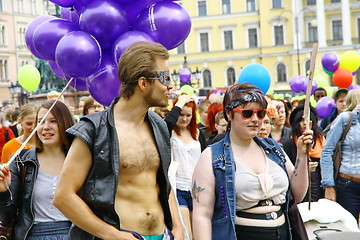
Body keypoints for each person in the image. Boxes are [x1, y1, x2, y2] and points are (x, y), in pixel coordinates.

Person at [53, 41, 184, 240]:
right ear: (142, 83)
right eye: (165, 77)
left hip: (162, 235)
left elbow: (162, 183)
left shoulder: (158, 125)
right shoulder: (94, 130)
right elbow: (63, 197)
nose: (171, 85)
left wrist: (177, 227)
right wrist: (112, 235)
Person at [192, 83, 312, 240]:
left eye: (260, 113)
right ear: (229, 114)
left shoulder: (273, 148)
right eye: (247, 113)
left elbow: (298, 194)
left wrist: (302, 156)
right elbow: (202, 214)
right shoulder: (212, 156)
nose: (255, 119)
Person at [0, 100, 75, 240]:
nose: (46, 127)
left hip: (75, 234)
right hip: (33, 234)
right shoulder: (21, 161)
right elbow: (7, 216)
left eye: (53, 121)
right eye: (40, 121)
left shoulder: (80, 159)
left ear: (64, 122)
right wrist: (3, 191)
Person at [320, 89, 360, 222]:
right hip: (348, 186)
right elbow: (327, 151)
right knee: (349, 232)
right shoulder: (345, 119)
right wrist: (328, 185)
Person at [170, 98, 204, 240]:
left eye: (188, 115)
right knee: (185, 233)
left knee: (198, 232)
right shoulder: (170, 133)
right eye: (181, 114)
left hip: (197, 188)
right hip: (178, 186)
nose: (184, 119)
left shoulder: (197, 133)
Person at [283, 105, 326, 202]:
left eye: (308, 120)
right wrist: (303, 169)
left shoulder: (323, 143)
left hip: (319, 191)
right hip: (299, 196)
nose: (305, 123)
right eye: (301, 120)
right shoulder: (288, 145)